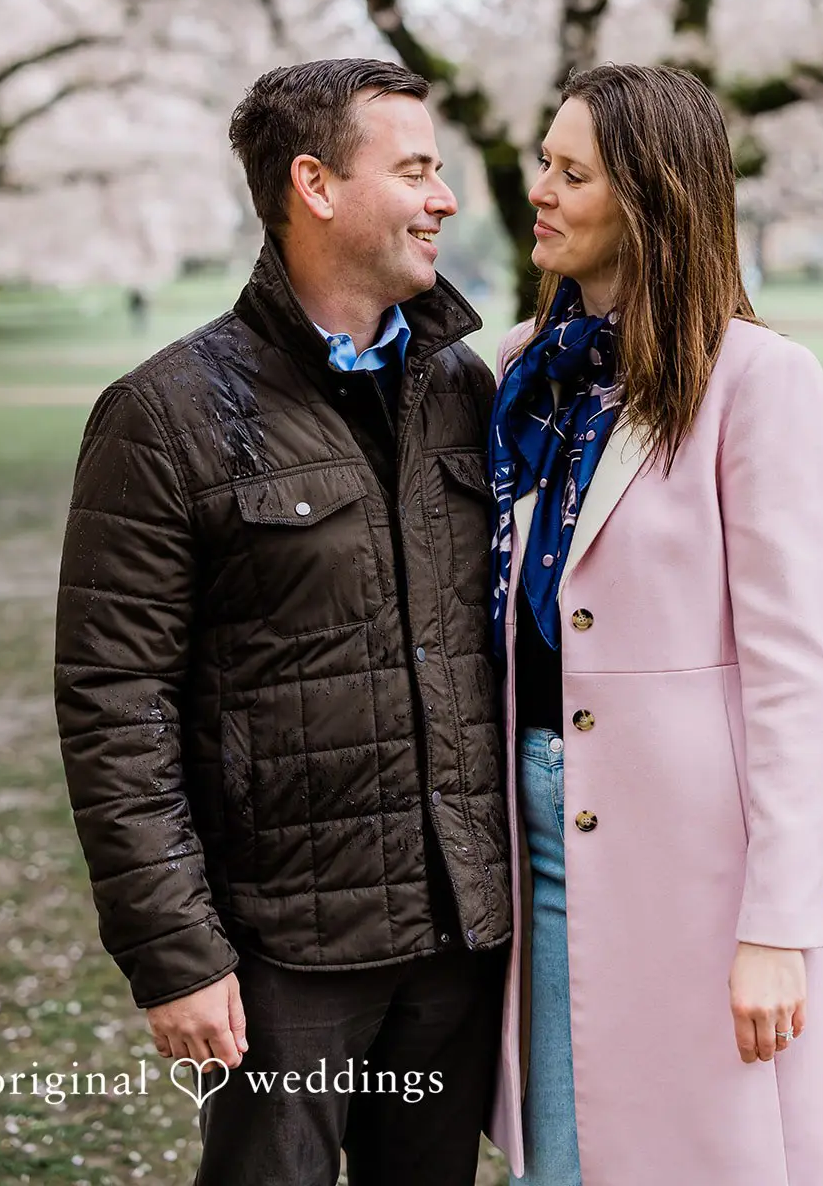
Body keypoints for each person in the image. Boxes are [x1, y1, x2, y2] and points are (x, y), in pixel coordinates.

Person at [54, 58, 510, 1186]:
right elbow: (115, 704)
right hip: (282, 956)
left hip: (461, 935)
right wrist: (174, 954)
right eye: (414, 170)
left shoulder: (467, 390)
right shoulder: (161, 416)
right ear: (312, 183)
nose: (444, 198)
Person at [487, 64, 823, 1186]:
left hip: (703, 865)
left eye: (572, 173)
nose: (540, 193)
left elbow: (793, 677)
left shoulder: (761, 382)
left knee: (708, 1152)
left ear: (650, 198)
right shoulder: (518, 373)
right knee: (560, 1156)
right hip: (532, 835)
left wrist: (778, 925)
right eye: (542, 165)